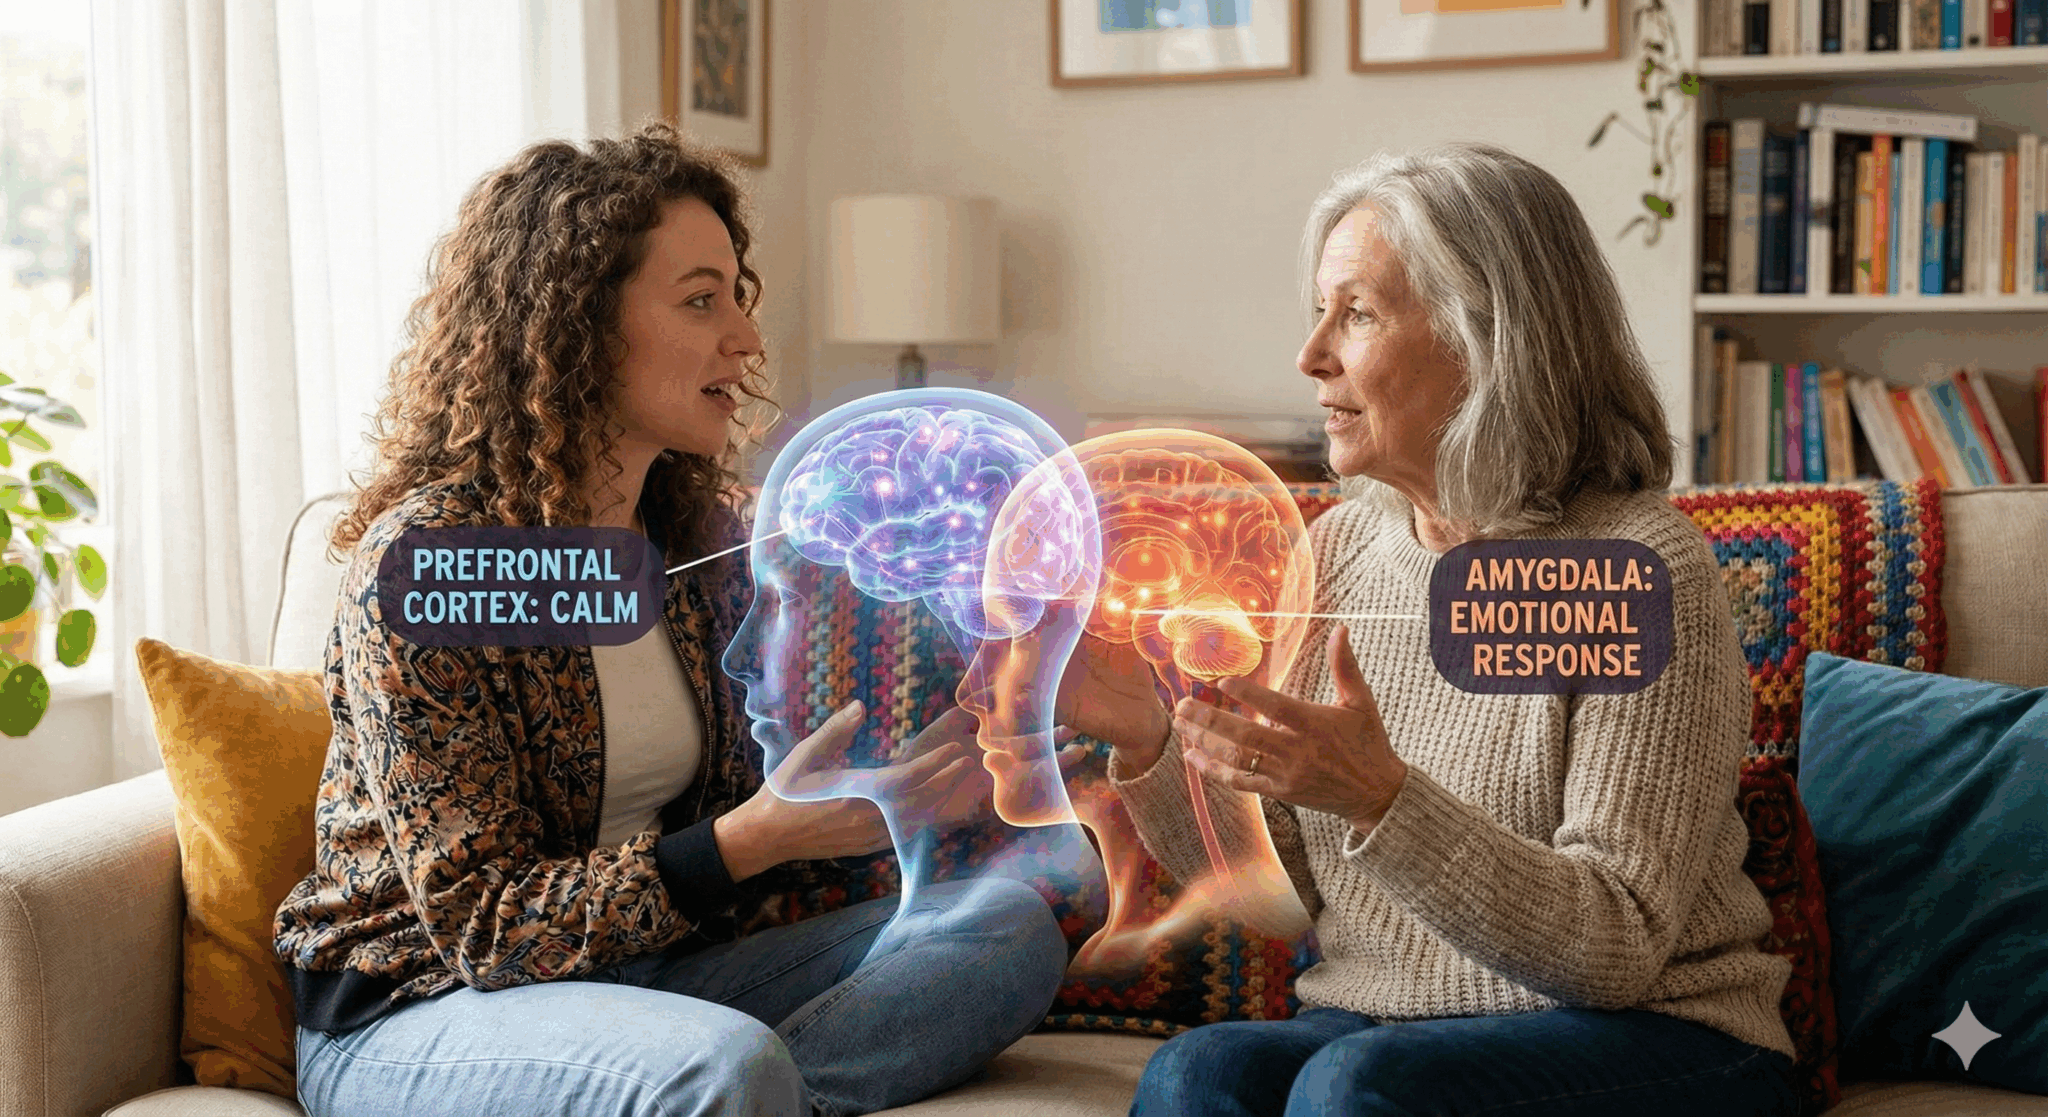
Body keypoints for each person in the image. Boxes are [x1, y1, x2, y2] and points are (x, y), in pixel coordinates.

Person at [273, 123, 1067, 1117]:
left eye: (738, 297)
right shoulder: (434, 564)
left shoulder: (689, 543)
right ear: (574, 327)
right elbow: (481, 928)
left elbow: (732, 835)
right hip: (422, 1010)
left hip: (645, 988)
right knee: (723, 1068)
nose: (744, 338)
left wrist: (877, 808)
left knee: (1002, 930)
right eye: (700, 300)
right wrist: (748, 841)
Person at [1059, 143, 1799, 1117]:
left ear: (1488, 338)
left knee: (1355, 1084)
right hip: (1381, 1027)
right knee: (1195, 1074)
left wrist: (1380, 798)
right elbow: (1285, 899)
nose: (1310, 354)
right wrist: (1148, 740)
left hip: (1656, 1037)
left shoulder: (1630, 570)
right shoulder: (1339, 551)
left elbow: (1613, 946)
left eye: (1355, 314)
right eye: (1317, 311)